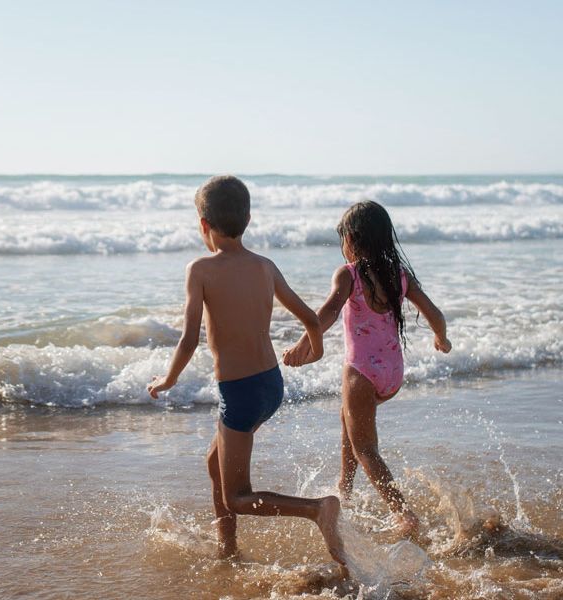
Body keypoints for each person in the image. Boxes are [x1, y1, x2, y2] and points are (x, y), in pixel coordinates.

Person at [148, 175, 345, 566]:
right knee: (214, 464)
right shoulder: (265, 266)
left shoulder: (200, 269)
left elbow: (189, 340)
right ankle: (228, 548)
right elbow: (309, 317)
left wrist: (168, 379)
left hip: (239, 393)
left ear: (203, 224)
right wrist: (316, 352)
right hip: (270, 386)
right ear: (248, 219)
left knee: (238, 496)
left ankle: (316, 509)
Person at [283, 200, 450, 538]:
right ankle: (344, 489)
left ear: (354, 240)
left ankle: (404, 513)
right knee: (349, 423)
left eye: (344, 238)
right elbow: (435, 314)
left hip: (360, 373)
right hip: (392, 374)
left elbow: (327, 313)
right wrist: (441, 338)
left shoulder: (350, 274)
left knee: (366, 449)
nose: (343, 246)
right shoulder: (399, 276)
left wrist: (304, 345)